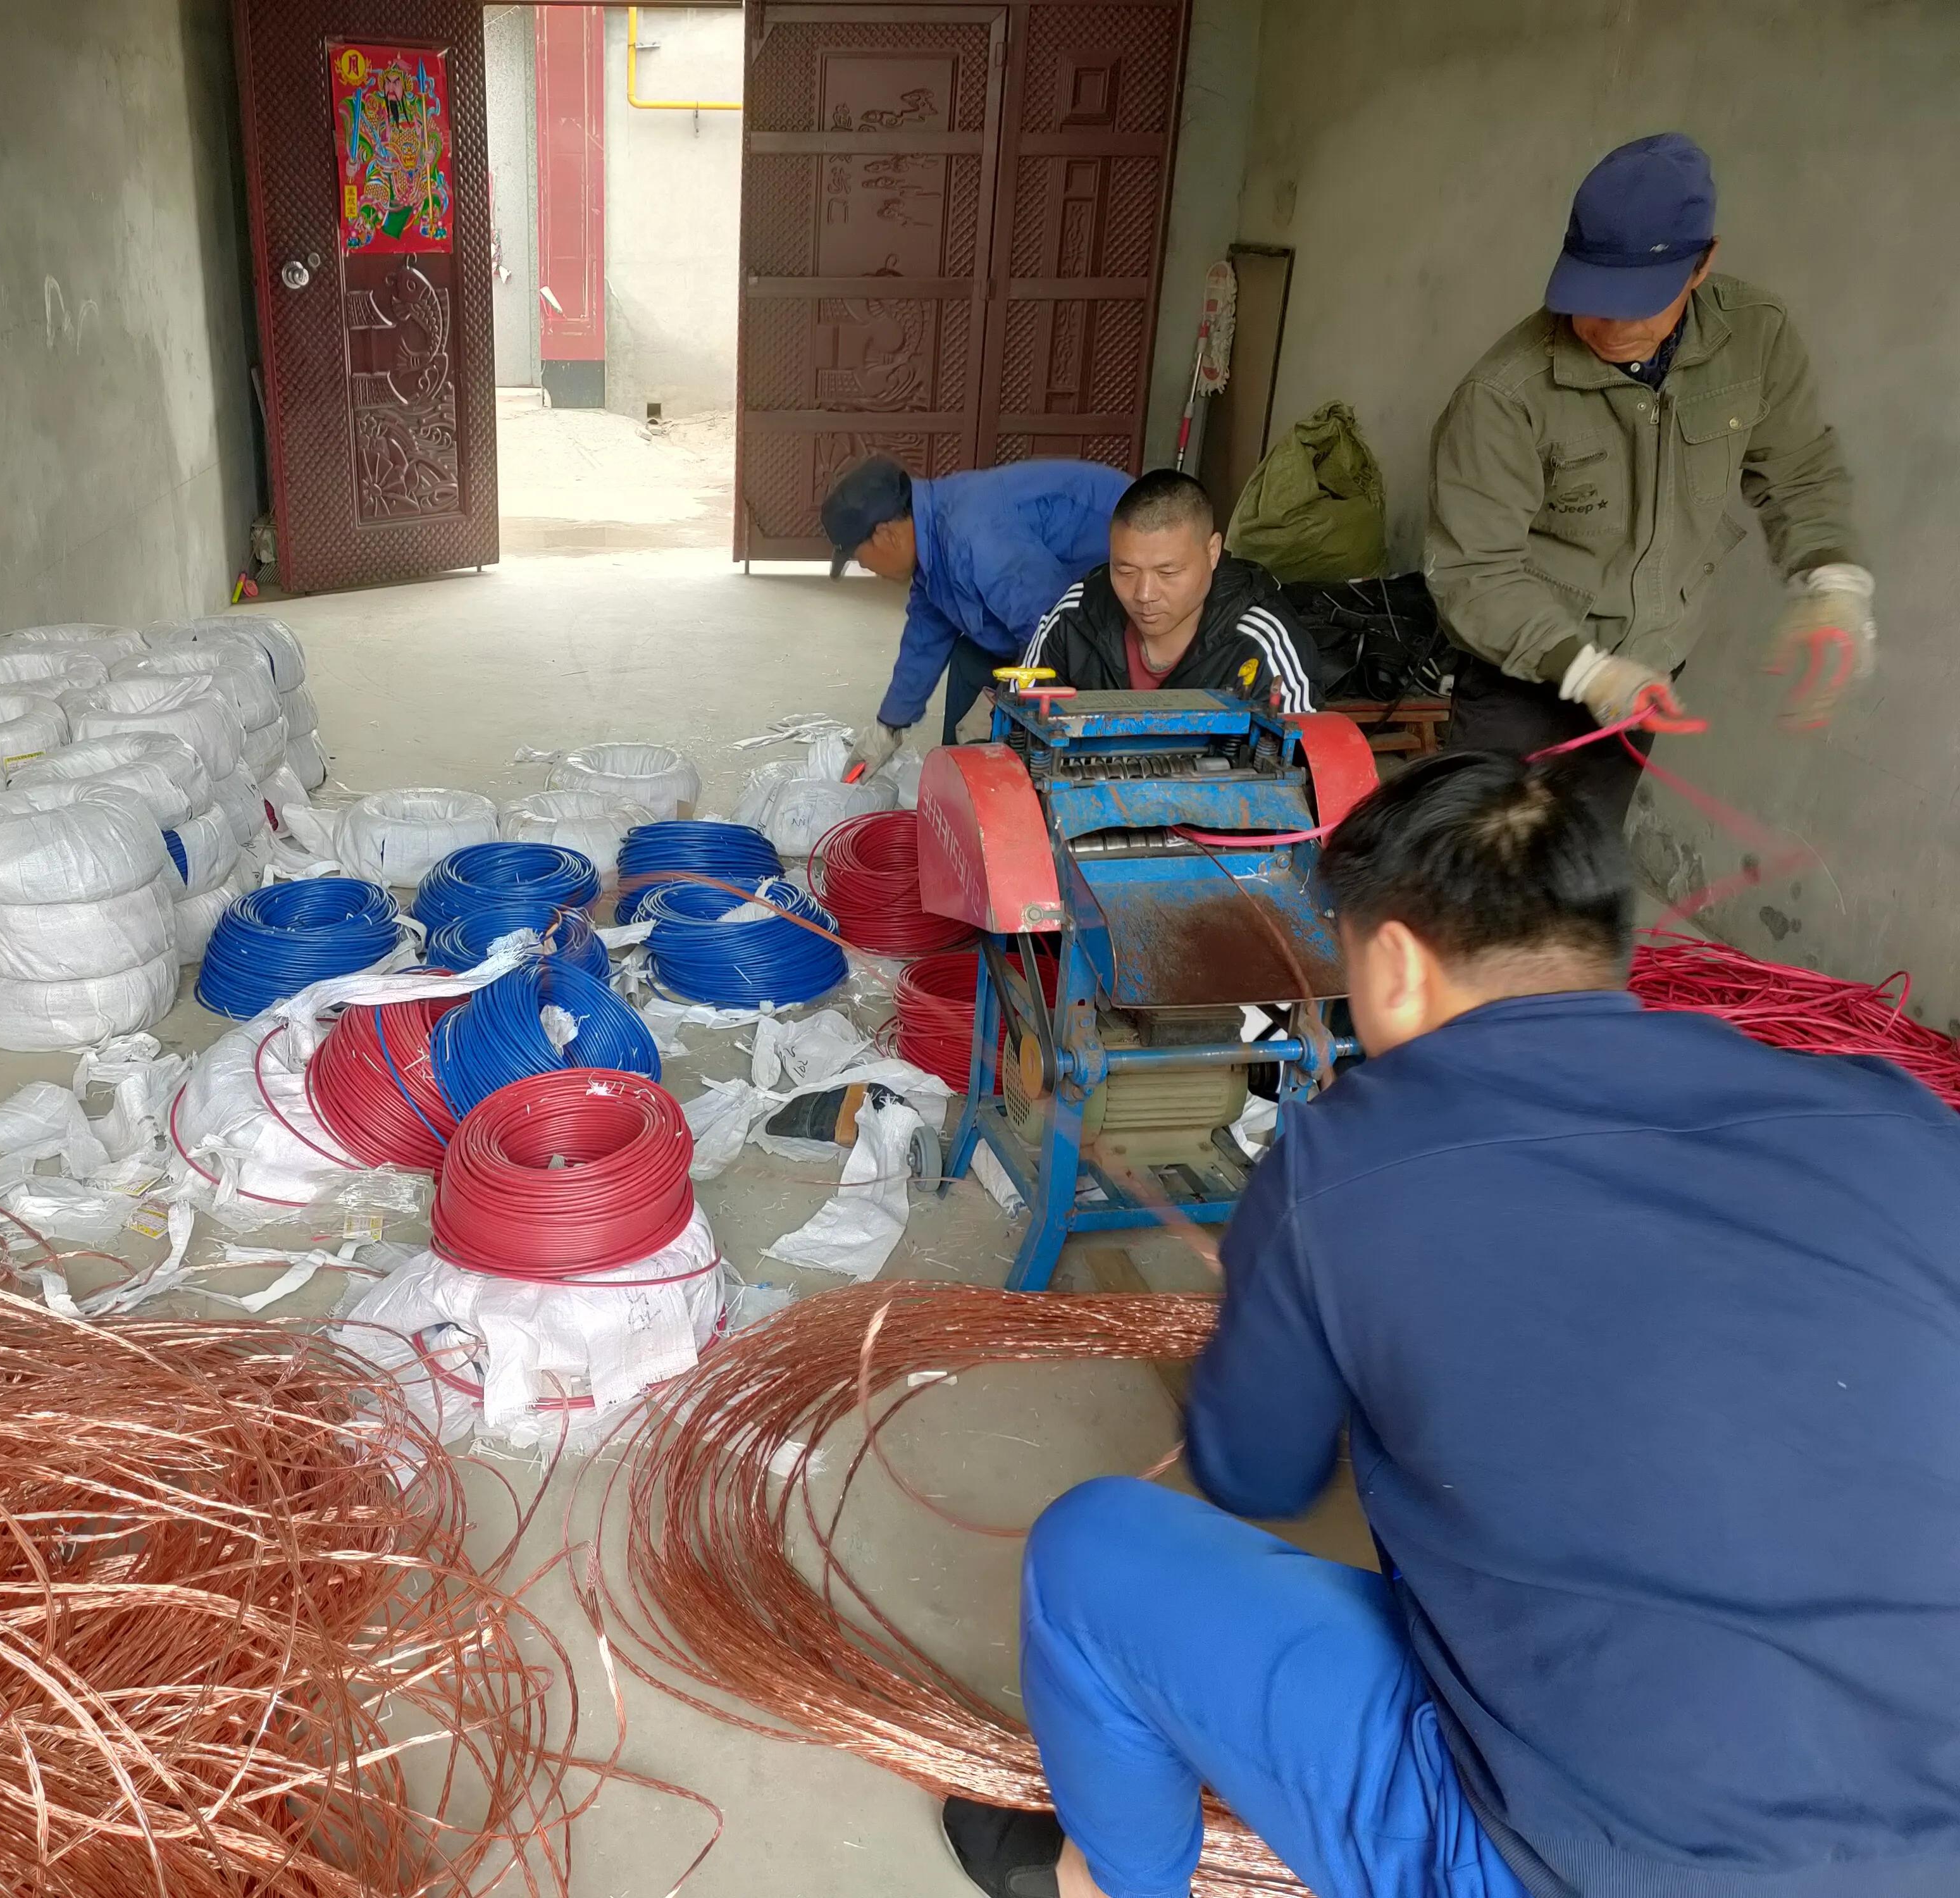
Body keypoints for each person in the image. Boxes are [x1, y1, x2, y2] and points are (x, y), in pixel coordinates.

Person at [944, 749, 1960, 1898]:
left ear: (1396, 963)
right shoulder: (1900, 1120)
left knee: (1091, 1557)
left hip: (1579, 1865)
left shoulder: (1346, 1159)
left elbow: (1252, 1468)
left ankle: (1101, 1879)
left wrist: (1298, 1297)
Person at [1426, 133, 1870, 833]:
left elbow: (1800, 469)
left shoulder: (1756, 337)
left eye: (1639, 301)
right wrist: (1589, 674)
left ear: (1702, 265)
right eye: (1592, 296)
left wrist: (1834, 584)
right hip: (1524, 670)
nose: (1609, 326)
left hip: (1647, 667)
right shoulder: (1504, 393)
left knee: (1579, 867)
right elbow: (1474, 571)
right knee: (1479, 873)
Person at [822, 454, 1132, 775]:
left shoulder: (975, 538)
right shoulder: (934, 538)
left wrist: (1002, 702)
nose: (868, 569)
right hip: (1062, 606)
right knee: (970, 659)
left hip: (1129, 603)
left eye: (861, 558)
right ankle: (962, 778)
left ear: (886, 534)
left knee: (1003, 710)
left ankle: (994, 784)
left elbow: (1052, 629)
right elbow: (925, 638)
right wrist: (888, 726)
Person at [1019, 471, 1323, 712]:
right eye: (1125, 570)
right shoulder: (1075, 617)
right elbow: (1016, 726)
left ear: (1213, 552)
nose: (1145, 594)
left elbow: (1302, 762)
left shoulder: (1261, 642)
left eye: (1168, 572)